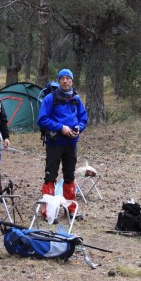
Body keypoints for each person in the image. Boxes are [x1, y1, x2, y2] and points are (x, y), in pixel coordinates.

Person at [37, 69, 88, 217]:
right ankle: (47, 212)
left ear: (72, 81)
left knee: (69, 176)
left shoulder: (76, 99)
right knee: (50, 176)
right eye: (62, 78)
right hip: (54, 142)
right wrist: (61, 128)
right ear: (59, 81)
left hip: (71, 143)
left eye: (68, 78)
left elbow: (83, 118)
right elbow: (42, 119)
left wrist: (79, 128)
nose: (65, 81)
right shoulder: (50, 98)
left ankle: (70, 210)